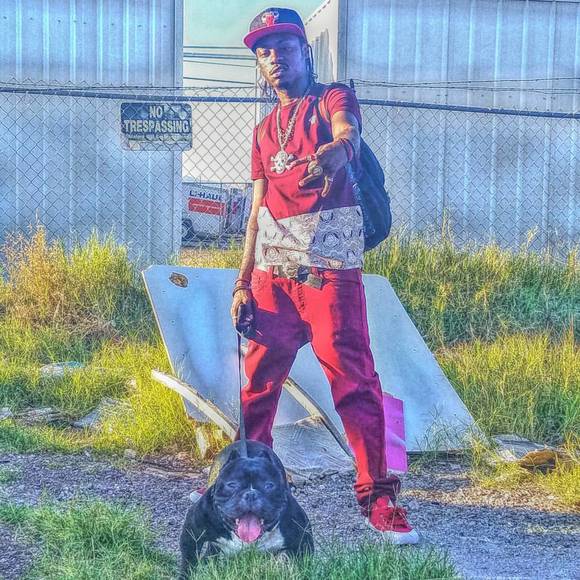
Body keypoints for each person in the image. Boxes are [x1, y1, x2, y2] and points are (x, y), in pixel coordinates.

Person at [230, 7, 418, 544]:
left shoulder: (332, 97)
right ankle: (248, 487)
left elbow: (347, 130)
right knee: (258, 387)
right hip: (272, 273)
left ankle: (378, 498)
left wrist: (338, 151)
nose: (274, 58)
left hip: (330, 270)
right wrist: (242, 281)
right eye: (264, 52)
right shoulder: (263, 130)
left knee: (353, 381)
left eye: (284, 47)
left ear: (304, 51)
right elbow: (257, 211)